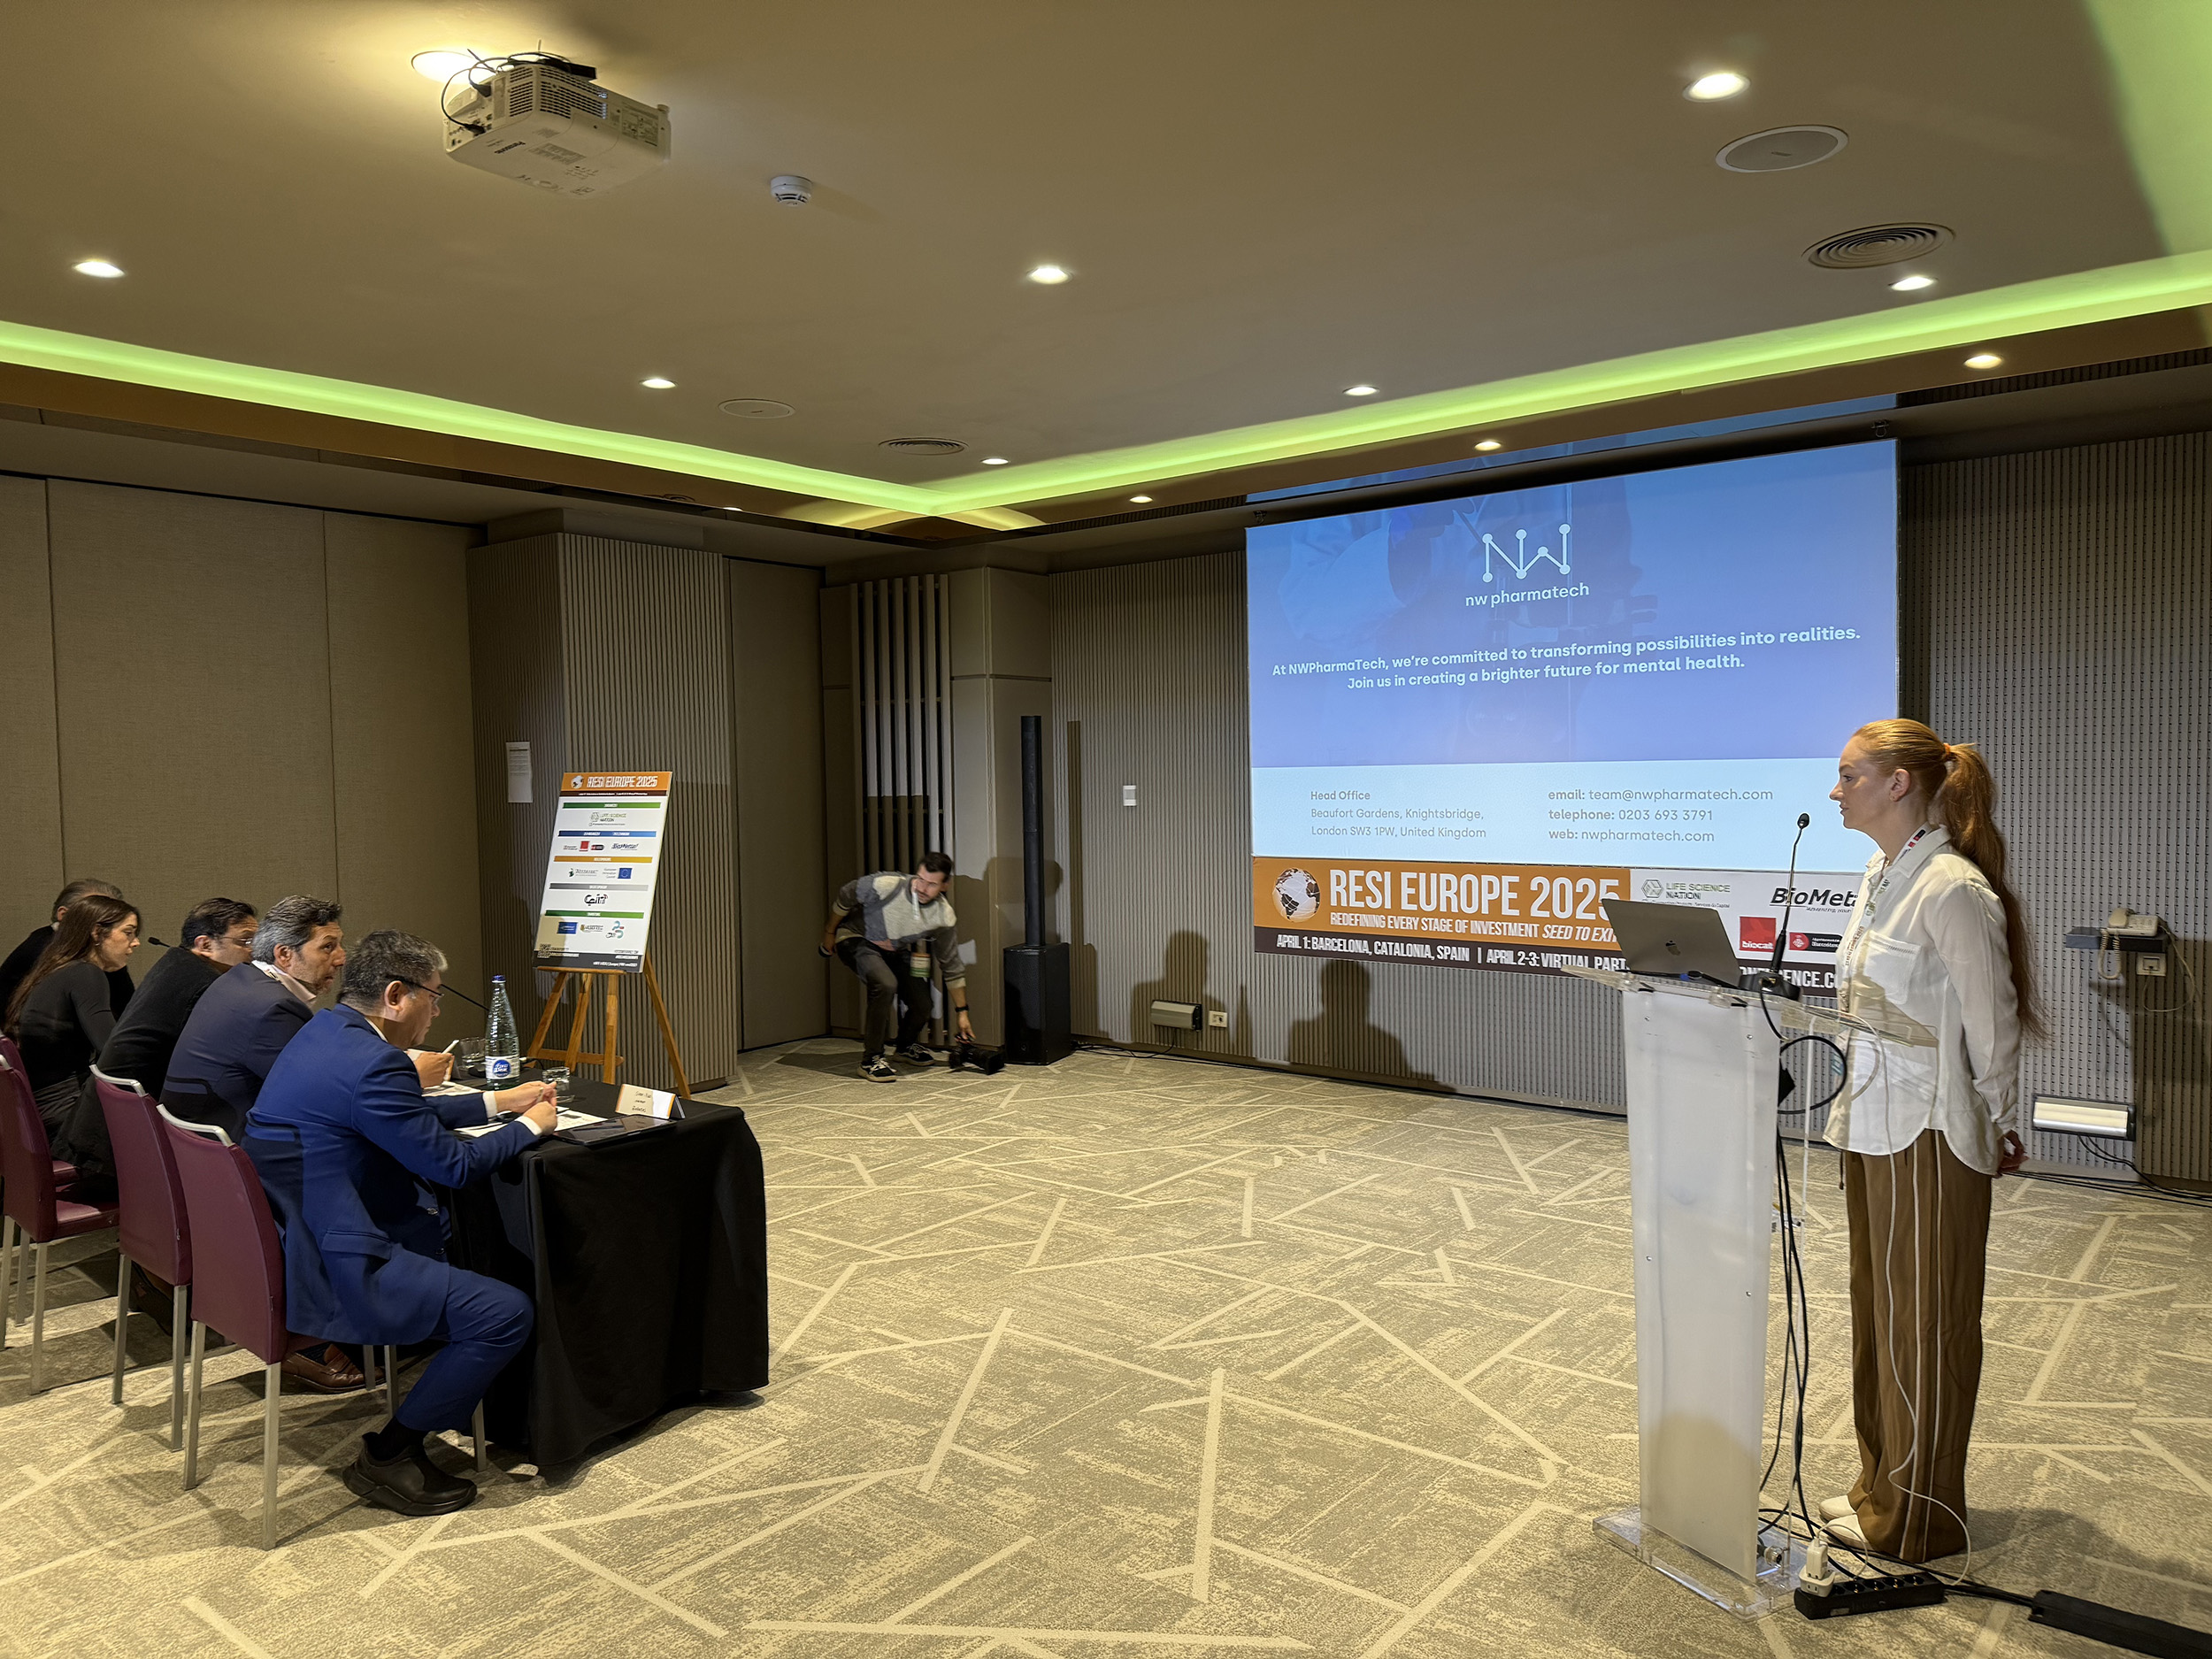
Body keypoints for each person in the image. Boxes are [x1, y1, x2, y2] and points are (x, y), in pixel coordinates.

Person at [1818, 718, 2039, 1563]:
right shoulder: (1882, 873)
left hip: (1932, 1131)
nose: (1835, 791)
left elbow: (1994, 1018)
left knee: (1927, 1324)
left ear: (1898, 783)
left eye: (1849, 775)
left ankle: (1924, 1516)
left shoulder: (1951, 886)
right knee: (1878, 1315)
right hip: (1871, 1122)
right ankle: (1881, 1487)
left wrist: (2002, 1117)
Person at [244, 930, 557, 1517]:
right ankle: (391, 1454)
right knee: (504, 1312)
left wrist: (499, 1103)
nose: (436, 1012)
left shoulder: (325, 1032)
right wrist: (531, 1127)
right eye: (433, 997)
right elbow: (453, 1166)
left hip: (297, 1236)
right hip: (342, 1263)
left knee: (465, 1249)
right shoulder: (377, 1063)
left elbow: (399, 1111)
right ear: (395, 995)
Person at [49, 899, 258, 1195]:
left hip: (99, 1133)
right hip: (121, 1155)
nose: (254, 950)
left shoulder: (177, 963)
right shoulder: (206, 983)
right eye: (245, 941)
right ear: (205, 944)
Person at [163, 895, 346, 1141]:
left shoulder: (239, 979)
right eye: (328, 947)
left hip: (193, 1137)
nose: (341, 958)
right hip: (227, 1146)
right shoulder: (275, 1007)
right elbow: (319, 1094)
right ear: (284, 954)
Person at [820, 851, 973, 1082]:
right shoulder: (888, 884)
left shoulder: (944, 916)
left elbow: (951, 963)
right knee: (885, 983)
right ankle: (871, 1060)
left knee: (923, 1003)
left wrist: (962, 1013)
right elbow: (847, 894)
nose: (923, 888)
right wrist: (829, 932)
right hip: (856, 938)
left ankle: (905, 1047)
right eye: (921, 879)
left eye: (932, 884)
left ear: (945, 885)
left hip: (893, 950)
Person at [4, 895, 141, 1133]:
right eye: (128, 932)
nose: (135, 942)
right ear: (97, 933)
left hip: (39, 1106)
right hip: (63, 1109)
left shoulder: (56, 969)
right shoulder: (86, 974)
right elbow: (112, 1049)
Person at [0, 879, 133, 1023]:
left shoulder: (99, 949)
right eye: (96, 912)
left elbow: (128, 1009)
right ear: (63, 915)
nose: (110, 925)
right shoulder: (45, 949)